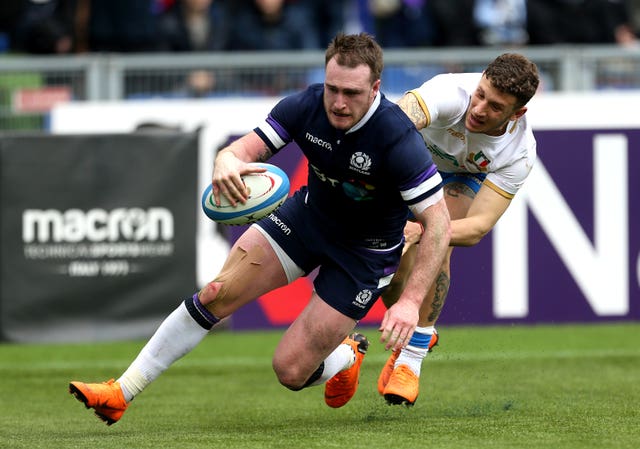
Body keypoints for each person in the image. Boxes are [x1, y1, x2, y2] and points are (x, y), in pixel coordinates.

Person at [68, 32, 451, 425]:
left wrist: (408, 302)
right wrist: (225, 159)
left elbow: (438, 223)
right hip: (307, 220)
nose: (338, 102)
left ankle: (345, 356)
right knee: (216, 292)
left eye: (351, 93)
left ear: (375, 89)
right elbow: (242, 151)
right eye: (332, 88)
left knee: (290, 371)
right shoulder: (305, 105)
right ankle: (121, 391)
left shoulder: (397, 137)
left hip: (365, 255)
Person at [378, 53, 540, 406]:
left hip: (463, 178)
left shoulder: (519, 152)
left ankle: (413, 357)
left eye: (495, 106)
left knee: (440, 238)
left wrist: (422, 231)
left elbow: (478, 228)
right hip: (413, 163)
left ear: (517, 114)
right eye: (480, 93)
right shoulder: (449, 92)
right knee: (393, 275)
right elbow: (392, 127)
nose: (479, 108)